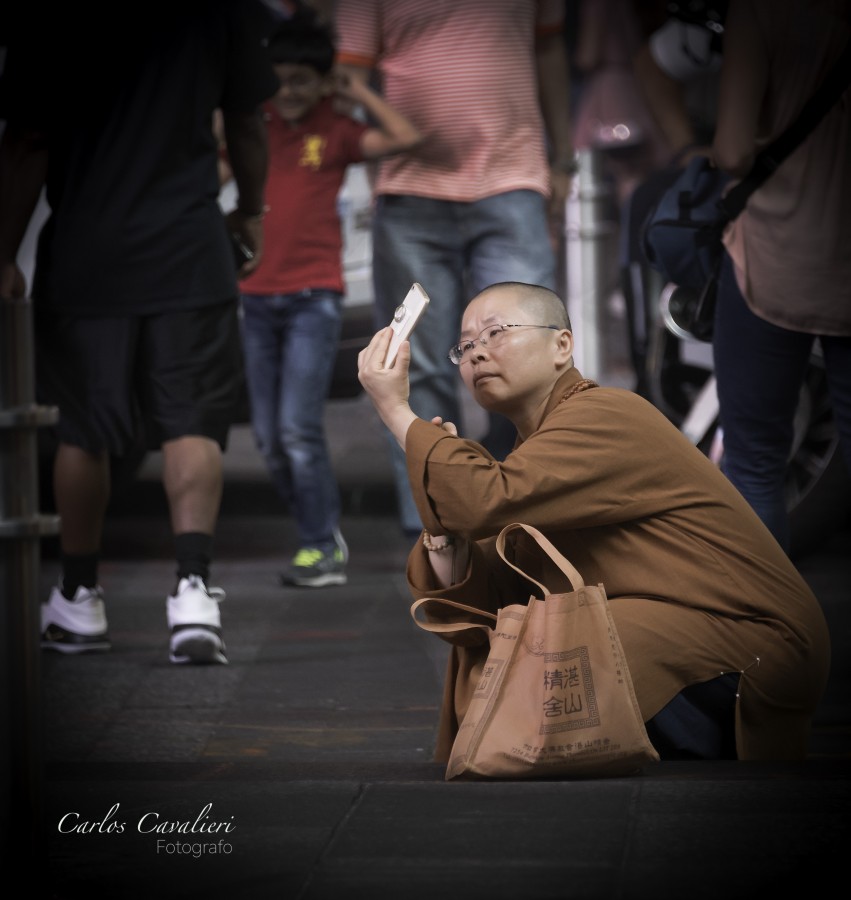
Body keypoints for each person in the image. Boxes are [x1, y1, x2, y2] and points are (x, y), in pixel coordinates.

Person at [357, 281, 831, 761]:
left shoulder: (607, 414)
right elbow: (484, 599)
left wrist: (396, 411)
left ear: (562, 345)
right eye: (467, 345)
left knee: (557, 651)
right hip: (682, 620)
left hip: (751, 632)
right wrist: (444, 528)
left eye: (497, 332)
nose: (478, 353)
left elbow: (483, 500)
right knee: (511, 643)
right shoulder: (535, 451)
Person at [0, 0, 280, 662]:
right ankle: (192, 597)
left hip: (87, 255)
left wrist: (4, 250)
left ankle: (78, 599)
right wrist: (250, 210)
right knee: (192, 422)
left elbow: (27, 141)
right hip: (188, 248)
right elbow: (246, 119)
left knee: (83, 428)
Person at [335, 0, 576, 537]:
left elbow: (550, 47)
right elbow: (346, 79)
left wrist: (563, 158)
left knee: (526, 353)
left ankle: (528, 505)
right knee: (415, 363)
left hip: (513, 175)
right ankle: (432, 520)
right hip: (408, 189)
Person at [230, 5, 421, 587]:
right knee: (268, 437)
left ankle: (319, 544)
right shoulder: (250, 122)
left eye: (302, 80)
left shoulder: (335, 127)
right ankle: (318, 533)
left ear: (322, 81)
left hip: (315, 297)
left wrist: (355, 88)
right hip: (255, 298)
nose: (289, 91)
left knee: (296, 429)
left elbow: (407, 136)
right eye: (279, 79)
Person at [710, 0, 851, 554]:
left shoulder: (762, 12)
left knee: (754, 460)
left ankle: (768, 628)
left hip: (773, 258)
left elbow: (733, 150)